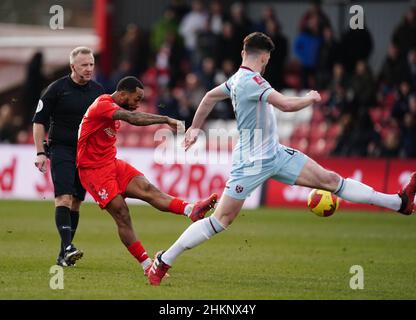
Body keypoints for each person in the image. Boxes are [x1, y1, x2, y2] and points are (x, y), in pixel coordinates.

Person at [147, 32, 416, 286]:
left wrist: (195, 128)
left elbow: (208, 98)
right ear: (264, 57)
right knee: (220, 220)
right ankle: (163, 261)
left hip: (274, 155)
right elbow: (286, 105)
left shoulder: (234, 81)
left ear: (244, 52)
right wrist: (310, 98)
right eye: (267, 59)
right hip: (250, 164)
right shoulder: (254, 82)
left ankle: (398, 202)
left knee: (331, 180)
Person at [76, 76, 217, 275]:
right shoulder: (103, 104)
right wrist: (165, 119)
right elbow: (133, 119)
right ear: (123, 94)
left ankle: (191, 209)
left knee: (148, 190)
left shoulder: (113, 107)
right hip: (93, 170)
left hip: (112, 163)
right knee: (122, 214)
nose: (138, 103)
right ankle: (147, 265)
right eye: (136, 98)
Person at [33, 47, 105, 267]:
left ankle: (64, 254)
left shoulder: (98, 91)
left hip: (86, 154)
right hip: (62, 149)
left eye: (91, 64)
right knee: (63, 198)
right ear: (73, 67)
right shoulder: (56, 89)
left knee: (75, 203)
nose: (89, 68)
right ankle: (67, 248)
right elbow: (38, 122)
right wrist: (40, 152)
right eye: (84, 65)